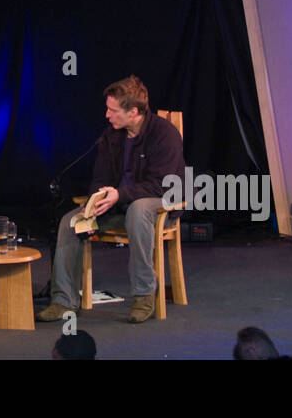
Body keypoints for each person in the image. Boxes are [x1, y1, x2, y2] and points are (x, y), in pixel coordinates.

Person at [38, 75, 185, 325]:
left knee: (138, 210)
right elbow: (101, 176)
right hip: (120, 204)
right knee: (71, 221)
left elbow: (162, 184)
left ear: (134, 111)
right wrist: (97, 198)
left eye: (112, 110)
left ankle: (144, 295)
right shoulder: (112, 136)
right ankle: (63, 300)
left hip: (159, 202)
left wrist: (120, 195)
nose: (107, 115)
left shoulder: (164, 133)